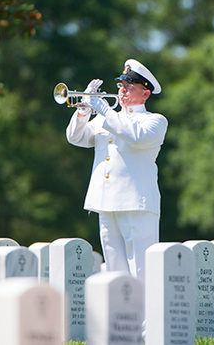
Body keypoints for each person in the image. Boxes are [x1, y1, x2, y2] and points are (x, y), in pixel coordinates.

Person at [66, 59, 168, 283]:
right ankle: (121, 318)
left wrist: (103, 109)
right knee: (115, 273)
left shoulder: (154, 121)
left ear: (145, 94)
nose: (122, 90)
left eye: (130, 87)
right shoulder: (107, 118)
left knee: (141, 272)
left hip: (137, 204)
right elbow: (77, 137)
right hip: (106, 202)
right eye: (121, 85)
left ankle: (145, 319)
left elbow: (136, 137)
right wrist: (84, 109)